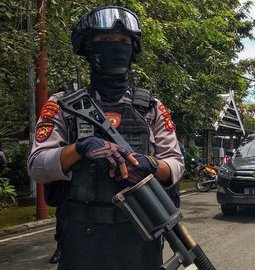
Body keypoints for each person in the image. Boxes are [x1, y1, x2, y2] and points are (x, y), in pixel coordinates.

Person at [27, 6, 184, 270]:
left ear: (132, 50)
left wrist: (152, 165)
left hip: (140, 234)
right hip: (82, 238)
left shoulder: (152, 108)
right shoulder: (63, 105)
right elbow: (37, 165)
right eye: (107, 41)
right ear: (88, 48)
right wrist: (81, 148)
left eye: (123, 42)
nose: (116, 47)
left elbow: (176, 164)